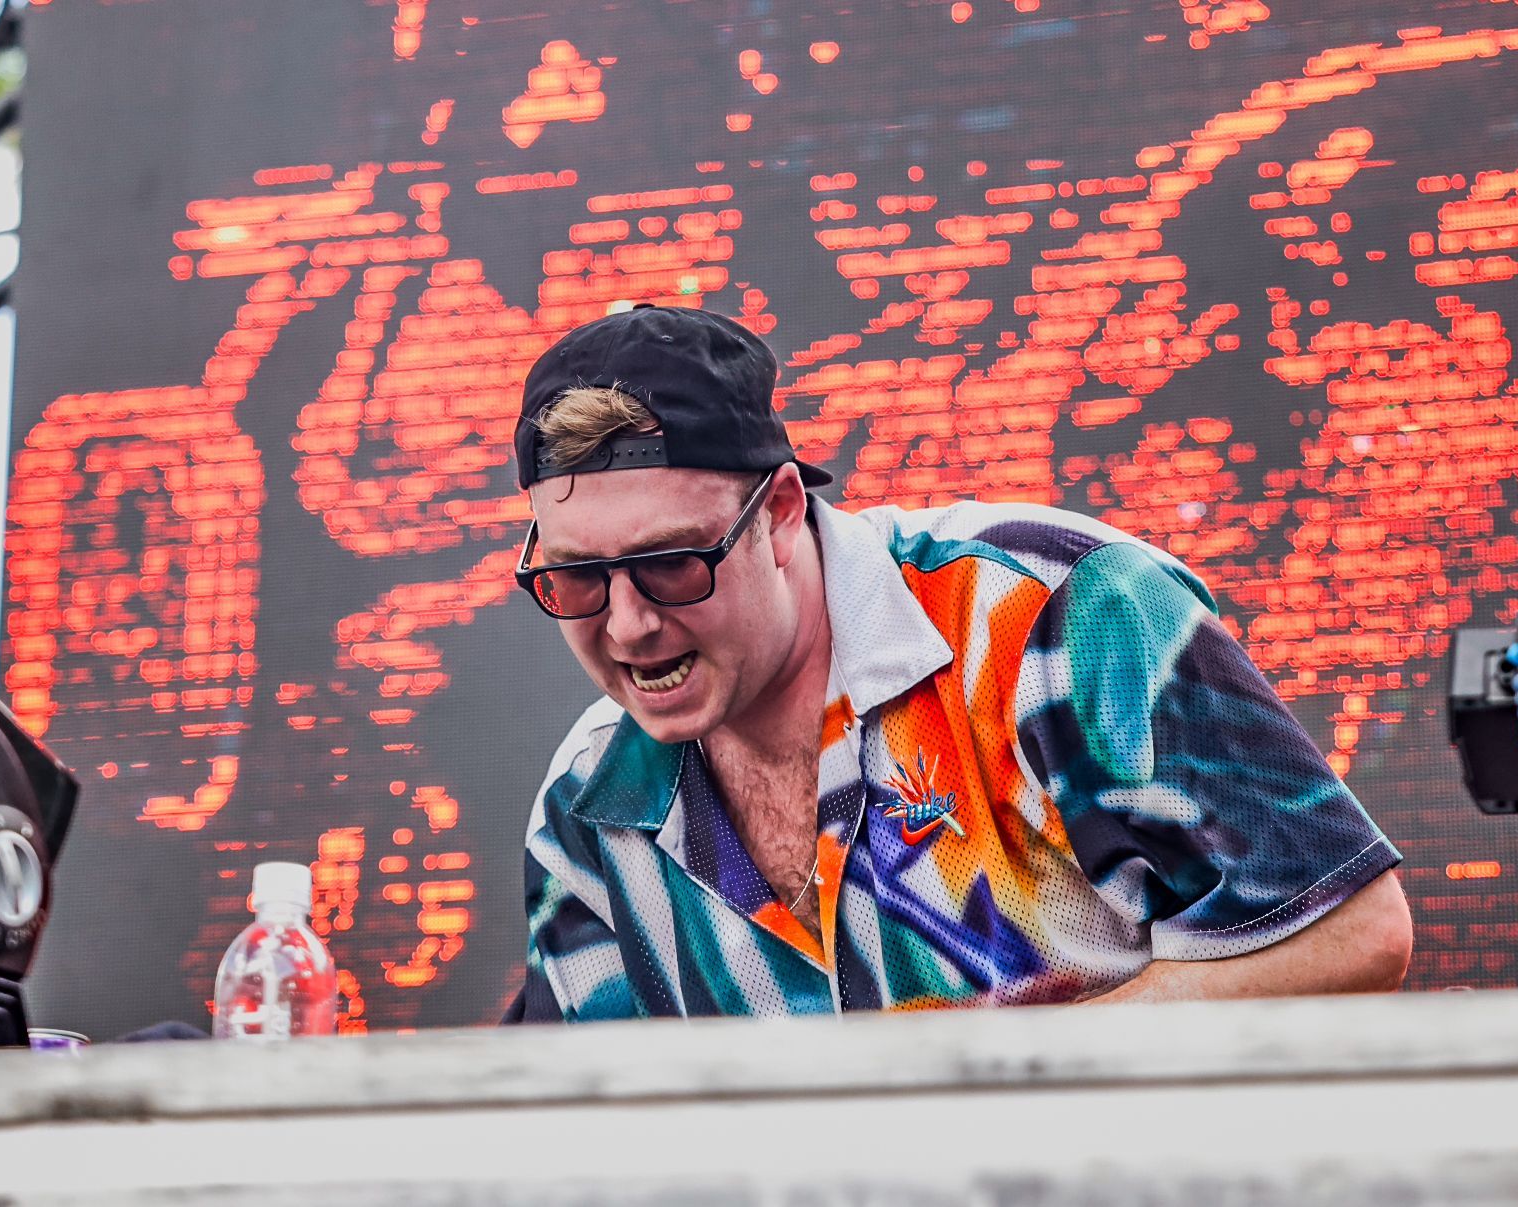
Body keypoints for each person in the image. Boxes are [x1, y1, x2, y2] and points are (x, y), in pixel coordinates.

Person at [504, 304, 1411, 1021]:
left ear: (780, 510)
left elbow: (1349, 935)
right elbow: (572, 1124)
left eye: (671, 563)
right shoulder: (588, 803)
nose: (627, 625)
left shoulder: (1048, 612)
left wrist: (1004, 1091)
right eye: (575, 577)